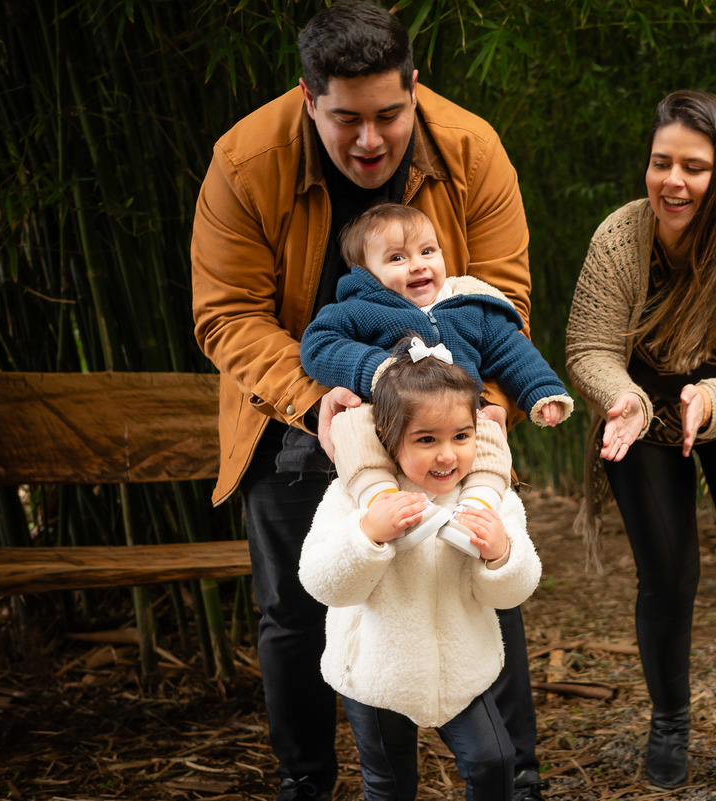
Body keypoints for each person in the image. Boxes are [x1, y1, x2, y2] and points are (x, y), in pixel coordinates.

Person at [190, 2, 549, 798]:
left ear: (414, 86)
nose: (370, 141)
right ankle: (306, 780)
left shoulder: (470, 148)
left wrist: (482, 406)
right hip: (301, 402)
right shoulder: (246, 160)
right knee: (295, 604)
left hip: (444, 401)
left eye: (389, 114)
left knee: (479, 564)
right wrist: (318, 395)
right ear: (308, 98)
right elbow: (227, 313)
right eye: (346, 119)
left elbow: (502, 297)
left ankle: (515, 779)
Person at [565, 90, 716, 789]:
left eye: (694, 168)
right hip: (639, 407)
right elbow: (588, 347)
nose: (672, 181)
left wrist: (712, 397)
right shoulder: (619, 237)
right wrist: (626, 399)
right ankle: (668, 722)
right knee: (667, 571)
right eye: (661, 162)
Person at [299, 338, 542, 801]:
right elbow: (322, 582)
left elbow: (512, 593)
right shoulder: (354, 496)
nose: (447, 455)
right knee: (390, 785)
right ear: (390, 438)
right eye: (427, 440)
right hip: (376, 672)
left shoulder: (490, 500)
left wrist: (500, 553)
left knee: (494, 762)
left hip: (462, 669)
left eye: (461, 437)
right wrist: (368, 535)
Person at [300, 203, 571, 558]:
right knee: (351, 425)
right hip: (389, 421)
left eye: (427, 251)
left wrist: (542, 389)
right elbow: (319, 345)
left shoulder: (467, 306)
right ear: (366, 273)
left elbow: (510, 348)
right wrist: (375, 370)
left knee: (489, 430)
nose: (417, 264)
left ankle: (474, 511)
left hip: (458, 419)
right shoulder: (358, 310)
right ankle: (382, 501)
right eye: (397, 258)